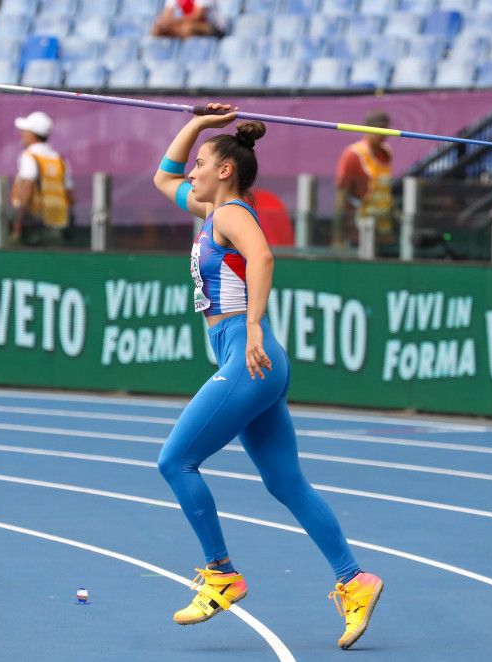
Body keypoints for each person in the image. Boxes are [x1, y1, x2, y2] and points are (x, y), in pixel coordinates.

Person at [152, 102, 383, 650]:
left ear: (225, 171)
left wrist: (253, 327)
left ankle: (221, 573)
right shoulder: (209, 211)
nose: (192, 171)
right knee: (285, 483)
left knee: (174, 461)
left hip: (247, 355)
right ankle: (355, 580)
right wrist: (200, 125)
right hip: (255, 361)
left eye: (202, 161)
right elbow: (162, 176)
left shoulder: (232, 214)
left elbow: (263, 258)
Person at [333, 109, 395, 253]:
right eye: (377, 129)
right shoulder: (352, 155)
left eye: (385, 128)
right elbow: (340, 198)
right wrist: (337, 238)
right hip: (357, 229)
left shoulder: (387, 153)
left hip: (382, 229)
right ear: (366, 128)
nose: (382, 134)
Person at [9, 111, 75, 247]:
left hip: (33, 228)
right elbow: (70, 197)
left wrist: (17, 225)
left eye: (25, 130)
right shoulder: (59, 160)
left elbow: (26, 190)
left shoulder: (30, 156)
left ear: (32, 134)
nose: (22, 133)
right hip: (57, 227)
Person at [152, 0, 225, 38]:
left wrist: (172, 22)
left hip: (213, 27)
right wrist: (162, 24)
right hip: (189, 24)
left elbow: (197, 16)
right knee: (157, 31)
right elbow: (167, 15)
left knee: (187, 29)